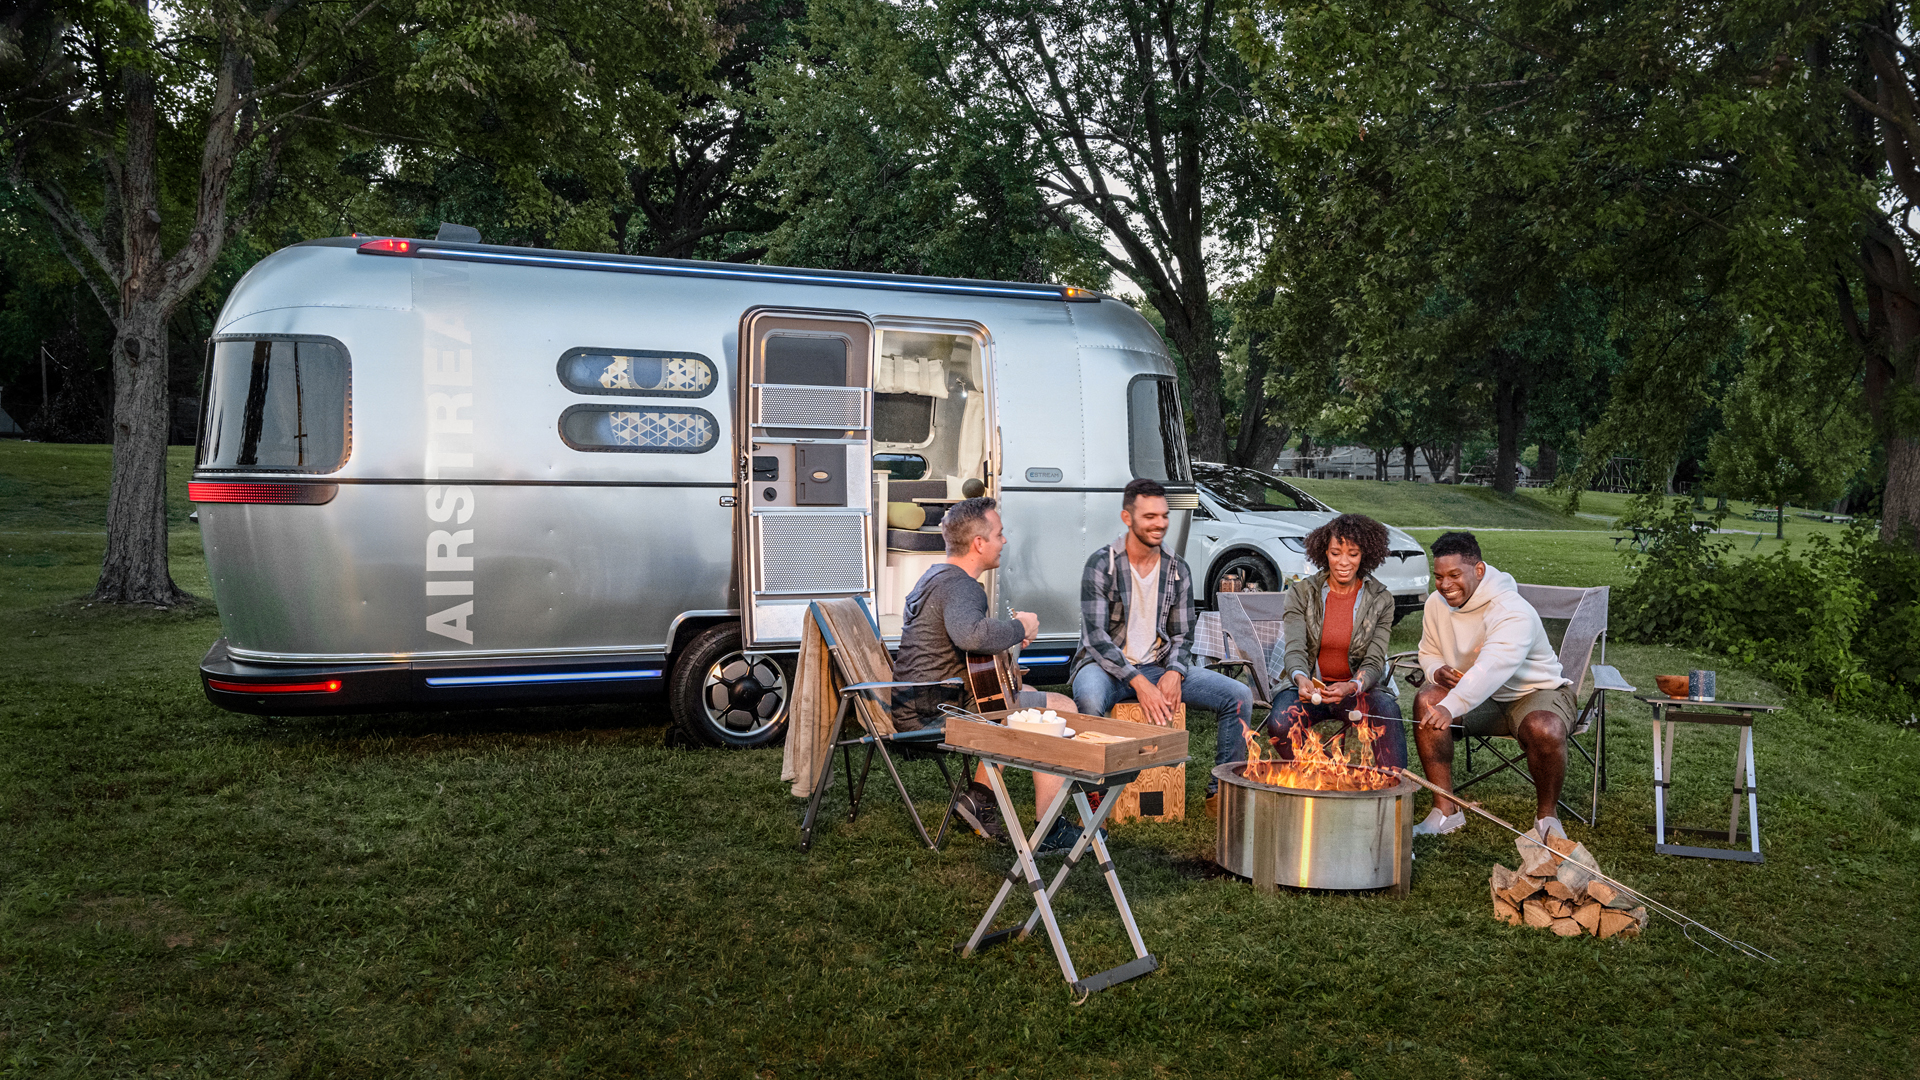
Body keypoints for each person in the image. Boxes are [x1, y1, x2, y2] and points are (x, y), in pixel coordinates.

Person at [891, 496, 1081, 851]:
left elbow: (967, 644)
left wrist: (1006, 650)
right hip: (934, 713)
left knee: (1020, 698)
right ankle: (1049, 830)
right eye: (999, 534)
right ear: (979, 543)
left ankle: (979, 798)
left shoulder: (937, 577)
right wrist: (1018, 626)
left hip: (924, 702)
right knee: (1059, 710)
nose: (1004, 541)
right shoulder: (961, 586)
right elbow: (972, 635)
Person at [1069, 478, 1256, 817]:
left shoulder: (1177, 569)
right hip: (1103, 666)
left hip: (1157, 664)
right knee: (1089, 700)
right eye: (1149, 516)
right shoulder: (1102, 565)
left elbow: (1184, 634)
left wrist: (1173, 672)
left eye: (1164, 516)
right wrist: (1138, 683)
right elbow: (1096, 638)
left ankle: (1223, 792)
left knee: (1238, 695)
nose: (1159, 524)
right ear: (1128, 518)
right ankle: (1092, 795)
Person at [1410, 531, 1578, 840]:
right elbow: (1428, 651)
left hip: (1534, 693)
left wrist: (1451, 705)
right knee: (1426, 700)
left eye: (1454, 575)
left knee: (1545, 727)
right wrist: (1437, 670)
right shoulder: (1436, 604)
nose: (1445, 585)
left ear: (1479, 570)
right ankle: (1445, 811)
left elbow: (1492, 666)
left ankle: (1547, 819)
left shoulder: (1511, 610)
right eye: (1438, 576)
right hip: (1480, 699)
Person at [1264, 513, 1407, 771]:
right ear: (1324, 552)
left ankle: (1393, 793)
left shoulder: (1381, 599)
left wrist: (1352, 686)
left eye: (1352, 554)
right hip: (1310, 690)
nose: (1343, 562)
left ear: (1365, 555)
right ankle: (1327, 774)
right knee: (1280, 723)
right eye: (1335, 553)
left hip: (1355, 691)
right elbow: (1294, 648)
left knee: (1386, 709)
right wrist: (1300, 678)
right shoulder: (1301, 593)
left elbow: (1374, 660)